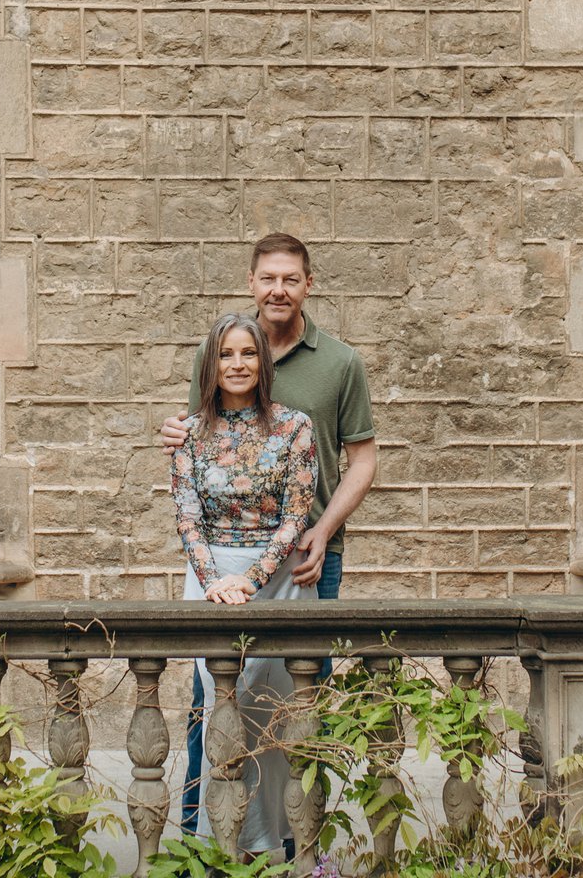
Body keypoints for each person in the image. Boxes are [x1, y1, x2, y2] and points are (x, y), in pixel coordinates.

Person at [163, 232, 379, 836]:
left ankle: (297, 843)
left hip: (308, 557)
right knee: (213, 704)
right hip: (218, 564)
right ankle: (204, 841)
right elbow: (196, 439)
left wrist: (322, 530)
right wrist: (174, 432)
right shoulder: (216, 349)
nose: (278, 289)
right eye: (267, 278)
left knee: (299, 701)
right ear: (252, 283)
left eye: (290, 279)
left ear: (308, 284)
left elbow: (363, 460)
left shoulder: (340, 364)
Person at [172, 311, 319, 858]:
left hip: (277, 579)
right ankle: (226, 844)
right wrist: (216, 582)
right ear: (211, 365)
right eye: (226, 354)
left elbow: (296, 516)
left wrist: (251, 580)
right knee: (223, 706)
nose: (238, 364)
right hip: (210, 579)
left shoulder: (295, 427)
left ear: (263, 362)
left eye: (249, 353)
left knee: (274, 711)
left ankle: (280, 841)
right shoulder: (188, 434)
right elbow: (187, 517)